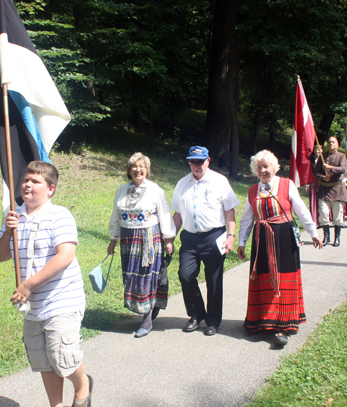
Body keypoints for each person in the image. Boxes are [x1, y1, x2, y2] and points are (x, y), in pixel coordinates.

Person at [0, 161, 92, 407]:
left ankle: (82, 386)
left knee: (63, 355)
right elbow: (0, 254)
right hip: (33, 304)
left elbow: (65, 256)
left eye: (35, 181)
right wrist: (7, 228)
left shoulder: (60, 215)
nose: (26, 184)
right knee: (43, 358)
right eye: (26, 179)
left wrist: (28, 285)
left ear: (50, 189)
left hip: (63, 297)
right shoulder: (14, 215)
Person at [237, 150, 323, 346]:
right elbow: (247, 219)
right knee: (263, 277)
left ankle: (283, 326)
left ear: (274, 167)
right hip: (261, 238)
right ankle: (260, 320)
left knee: (283, 280)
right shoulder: (252, 191)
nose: (263, 170)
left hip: (284, 237)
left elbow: (301, 209)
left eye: (266, 166)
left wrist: (314, 232)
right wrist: (242, 242)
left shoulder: (286, 184)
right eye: (259, 167)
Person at [171, 146, 240, 336]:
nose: (196, 165)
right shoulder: (182, 184)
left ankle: (213, 321)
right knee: (185, 275)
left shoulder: (219, 181)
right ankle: (196, 314)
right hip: (190, 238)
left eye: (200, 161)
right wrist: (169, 238)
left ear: (208, 161)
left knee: (214, 280)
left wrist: (231, 236)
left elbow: (229, 211)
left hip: (214, 237)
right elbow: (177, 214)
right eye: (192, 162)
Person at [108, 152, 176, 338]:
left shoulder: (155, 190)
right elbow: (116, 215)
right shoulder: (121, 190)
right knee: (132, 277)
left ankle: (147, 320)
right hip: (128, 239)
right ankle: (147, 308)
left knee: (146, 276)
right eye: (134, 167)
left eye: (142, 167)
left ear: (147, 170)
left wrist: (168, 239)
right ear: (129, 170)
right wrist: (113, 239)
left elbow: (164, 214)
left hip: (149, 239)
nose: (138, 170)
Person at [312, 136, 347, 247]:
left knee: (337, 216)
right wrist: (323, 177)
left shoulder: (342, 156)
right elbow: (316, 172)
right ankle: (326, 237)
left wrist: (330, 168)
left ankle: (337, 238)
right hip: (324, 190)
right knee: (323, 214)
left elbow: (343, 169)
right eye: (329, 142)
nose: (331, 144)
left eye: (333, 142)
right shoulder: (323, 156)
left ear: (337, 144)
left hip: (337, 189)